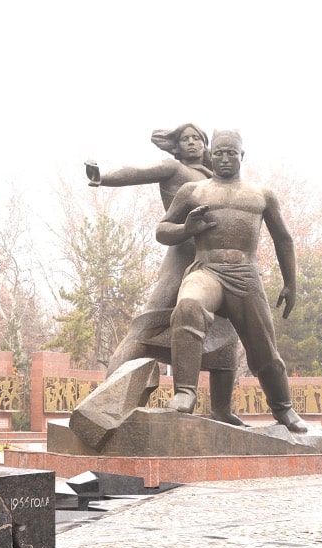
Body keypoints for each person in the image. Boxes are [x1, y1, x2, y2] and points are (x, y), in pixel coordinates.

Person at [85, 124, 243, 425]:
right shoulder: (175, 169)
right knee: (147, 325)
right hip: (180, 258)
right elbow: (138, 172)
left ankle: (221, 409)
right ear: (176, 146)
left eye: (197, 138)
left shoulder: (217, 178)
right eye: (185, 139)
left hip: (213, 264)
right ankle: (105, 400)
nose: (192, 143)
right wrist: (103, 176)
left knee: (225, 334)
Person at [157, 129, 308, 432]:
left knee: (264, 349)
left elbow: (283, 239)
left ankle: (283, 408)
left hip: (245, 275)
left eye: (231, 153)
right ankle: (185, 391)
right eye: (219, 153)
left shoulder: (261, 194)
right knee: (188, 306)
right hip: (207, 269)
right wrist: (187, 229)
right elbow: (162, 230)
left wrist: (291, 283)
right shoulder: (192, 191)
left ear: (242, 155)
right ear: (210, 155)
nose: (225, 159)